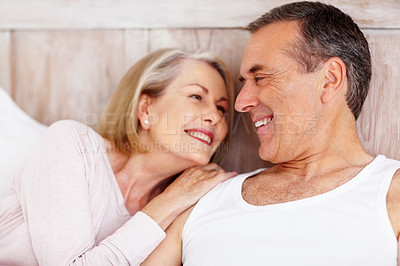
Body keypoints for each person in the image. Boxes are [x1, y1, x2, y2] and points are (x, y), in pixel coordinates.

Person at [142, 2, 400, 265]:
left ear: (329, 79)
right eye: (245, 83)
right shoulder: (202, 198)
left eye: (261, 78)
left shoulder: (393, 193)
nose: (240, 104)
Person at [0, 48, 237, 265]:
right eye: (196, 96)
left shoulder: (192, 204)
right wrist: (170, 201)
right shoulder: (73, 144)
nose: (214, 117)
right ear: (146, 109)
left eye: (221, 108)